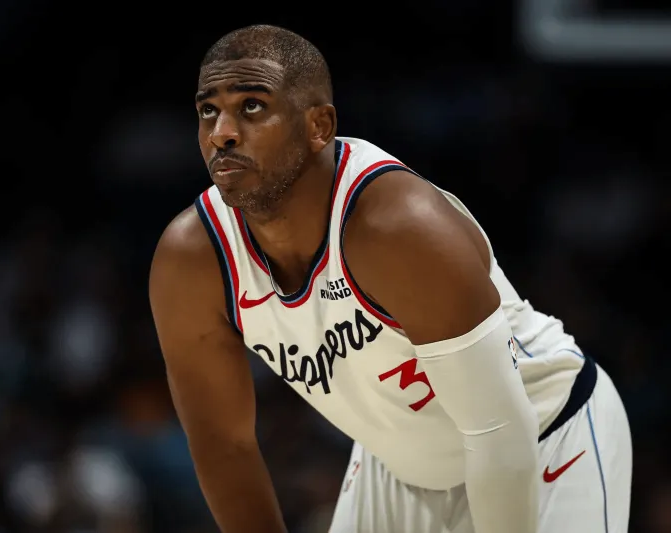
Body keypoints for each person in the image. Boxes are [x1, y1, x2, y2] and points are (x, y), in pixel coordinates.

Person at [149, 24, 632, 533]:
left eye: (252, 106)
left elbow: (497, 431)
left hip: (541, 436)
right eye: (209, 111)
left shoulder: (398, 226)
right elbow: (224, 444)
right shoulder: (191, 259)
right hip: (400, 468)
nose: (222, 133)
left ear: (318, 126)